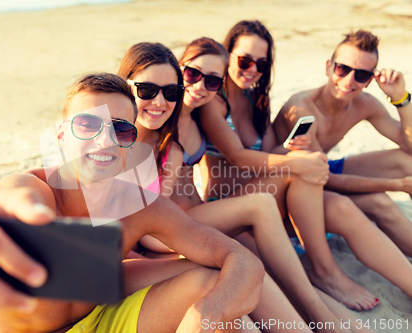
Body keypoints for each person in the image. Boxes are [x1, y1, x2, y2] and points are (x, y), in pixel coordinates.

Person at [0, 73, 266, 333]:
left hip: (101, 320)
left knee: (211, 283)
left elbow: (241, 260)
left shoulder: (138, 204)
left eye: (120, 129)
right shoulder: (35, 190)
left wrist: (203, 317)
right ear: (60, 135)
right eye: (87, 124)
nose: (104, 140)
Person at [119, 39, 371, 333]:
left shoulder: (173, 140)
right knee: (252, 230)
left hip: (180, 225)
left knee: (259, 263)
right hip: (165, 236)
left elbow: (160, 208)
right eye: (148, 90)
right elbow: (142, 225)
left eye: (213, 81)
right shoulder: (116, 141)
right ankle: (322, 312)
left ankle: (324, 309)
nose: (160, 101)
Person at [197, 20, 386, 311]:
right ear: (227, 55)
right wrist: (295, 162)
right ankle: (326, 272)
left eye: (261, 64)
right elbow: (237, 156)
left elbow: (272, 150)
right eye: (245, 61)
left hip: (264, 196)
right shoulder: (214, 101)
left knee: (339, 202)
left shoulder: (255, 97)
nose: (252, 71)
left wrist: (291, 148)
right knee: (301, 172)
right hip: (227, 203)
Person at [274, 29, 412, 257]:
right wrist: (398, 185)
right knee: (380, 202)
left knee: (406, 162)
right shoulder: (302, 109)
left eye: (361, 75)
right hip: (295, 190)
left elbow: (409, 147)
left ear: (370, 80)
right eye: (342, 69)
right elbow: (326, 179)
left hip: (324, 168)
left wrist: (401, 98)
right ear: (328, 67)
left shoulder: (364, 104)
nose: (349, 81)